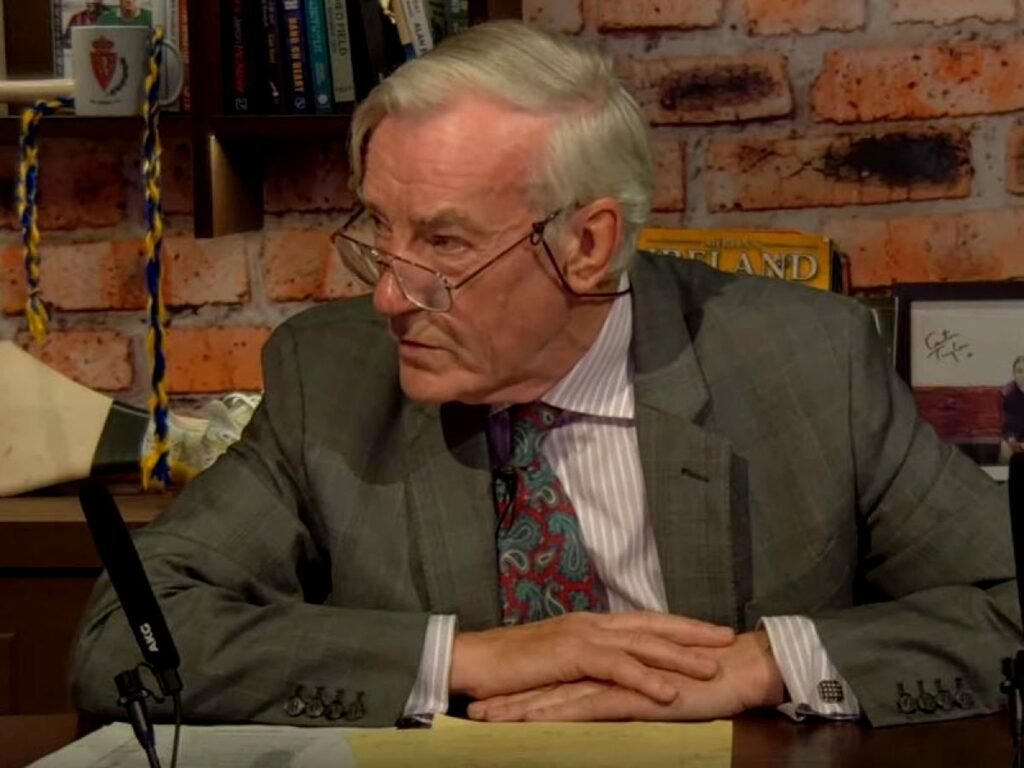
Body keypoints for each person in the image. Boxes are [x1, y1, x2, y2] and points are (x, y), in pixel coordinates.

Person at [72, 21, 1017, 729]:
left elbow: (1007, 604)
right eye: (379, 233)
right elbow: (130, 634)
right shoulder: (330, 377)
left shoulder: (806, 364)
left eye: (442, 243)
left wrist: (769, 662)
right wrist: (465, 658)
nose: (391, 298)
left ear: (588, 242)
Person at [1000, 355, 1024, 464]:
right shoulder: (1011, 397)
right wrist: (1011, 439)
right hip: (1017, 441)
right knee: (1005, 446)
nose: (1023, 376)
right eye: (1019, 371)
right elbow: (1008, 425)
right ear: (1014, 374)